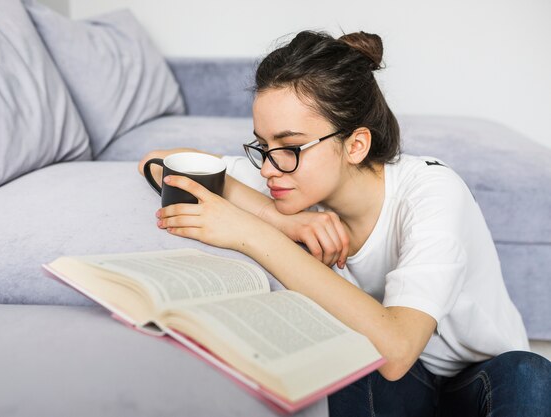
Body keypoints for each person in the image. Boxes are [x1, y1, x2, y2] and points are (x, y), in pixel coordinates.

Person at [139, 30, 551, 416]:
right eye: (262, 146)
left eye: (289, 146)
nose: (268, 168)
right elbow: (157, 162)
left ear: (355, 144)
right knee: (348, 353)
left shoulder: (433, 191)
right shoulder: (292, 186)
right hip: (400, 389)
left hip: (481, 383)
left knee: (529, 371)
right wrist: (278, 220)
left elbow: (398, 348)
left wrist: (254, 234)